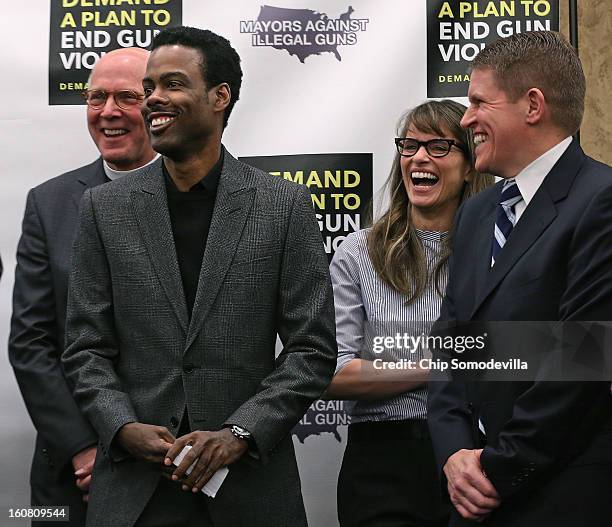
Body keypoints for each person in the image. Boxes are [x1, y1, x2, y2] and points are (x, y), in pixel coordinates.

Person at [61, 26, 337, 527]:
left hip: (250, 492)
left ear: (219, 96)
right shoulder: (105, 207)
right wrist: (121, 426)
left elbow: (311, 349)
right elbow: (84, 347)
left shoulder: (283, 205)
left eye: (171, 84)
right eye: (149, 88)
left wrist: (239, 433)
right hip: (136, 491)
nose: (153, 100)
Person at [427, 31, 612, 526]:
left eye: (478, 102)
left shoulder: (601, 200)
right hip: (469, 498)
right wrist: (455, 455)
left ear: (533, 106)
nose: (465, 120)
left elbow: (583, 357)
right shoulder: (477, 213)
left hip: (560, 496)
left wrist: (497, 469)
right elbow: (451, 345)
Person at [326, 100, 493, 527]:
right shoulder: (358, 252)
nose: (419, 157)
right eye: (410, 146)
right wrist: (439, 364)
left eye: (439, 146)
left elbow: (526, 354)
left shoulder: (499, 250)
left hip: (479, 452)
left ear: (471, 164)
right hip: (384, 459)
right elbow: (333, 373)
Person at [9, 47, 157, 526]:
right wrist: (84, 448)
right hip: (69, 477)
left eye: (126, 97)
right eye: (96, 97)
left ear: (157, 104)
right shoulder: (48, 204)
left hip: (169, 468)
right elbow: (32, 342)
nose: (108, 112)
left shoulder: (207, 200)